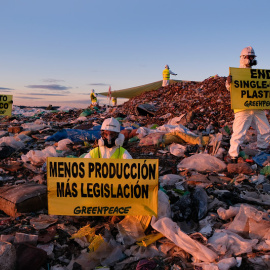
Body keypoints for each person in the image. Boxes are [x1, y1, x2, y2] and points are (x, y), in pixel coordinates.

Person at [226, 46, 270, 163]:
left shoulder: (256, 74)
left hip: (257, 107)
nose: (251, 59)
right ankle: (233, 156)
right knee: (239, 133)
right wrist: (229, 82)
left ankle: (262, 151)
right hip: (243, 108)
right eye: (250, 57)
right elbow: (229, 88)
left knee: (265, 130)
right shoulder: (236, 74)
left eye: (253, 57)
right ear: (243, 58)